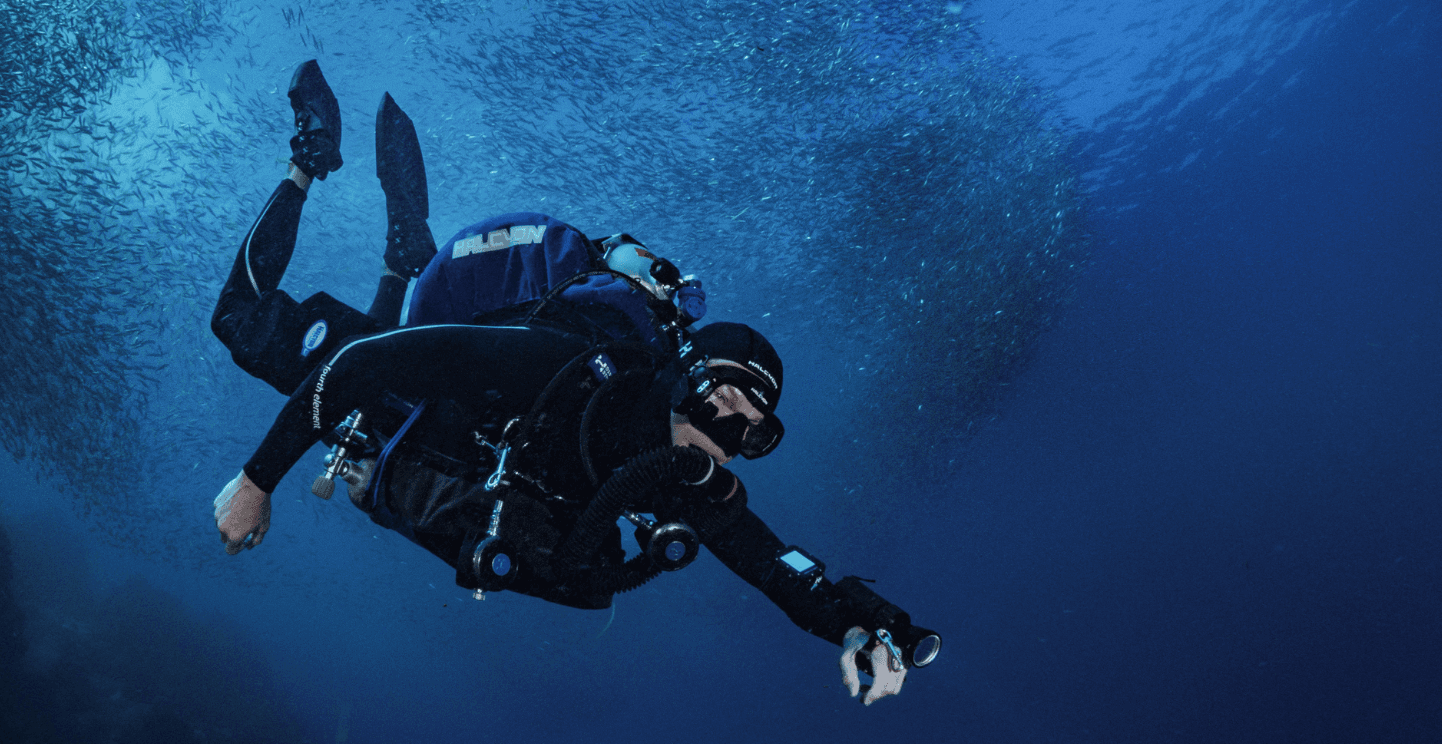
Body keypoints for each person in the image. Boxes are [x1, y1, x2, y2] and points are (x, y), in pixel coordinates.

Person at [210, 61, 940, 704]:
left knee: (402, 316)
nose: (723, 437)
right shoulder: (560, 368)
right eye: (717, 403)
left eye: (749, 431)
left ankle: (407, 244)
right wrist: (257, 480)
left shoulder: (679, 483)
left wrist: (863, 624)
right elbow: (363, 368)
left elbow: (776, 566)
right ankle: (310, 156)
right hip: (406, 393)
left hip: (433, 411)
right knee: (239, 320)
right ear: (681, 377)